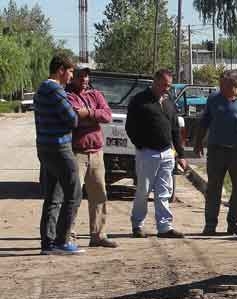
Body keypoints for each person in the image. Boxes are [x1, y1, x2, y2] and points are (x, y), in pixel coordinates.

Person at [194, 70, 237, 236]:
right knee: (213, 188)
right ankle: (210, 224)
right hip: (217, 150)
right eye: (220, 85)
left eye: (224, 86)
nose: (220, 89)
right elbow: (204, 122)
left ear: (236, 86)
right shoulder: (214, 99)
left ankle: (233, 223)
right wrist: (198, 142)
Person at [125, 69, 188, 239]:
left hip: (167, 153)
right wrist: (141, 145)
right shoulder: (139, 101)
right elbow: (130, 127)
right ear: (155, 82)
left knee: (164, 191)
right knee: (143, 191)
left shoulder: (169, 103)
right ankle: (137, 225)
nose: (166, 89)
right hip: (147, 153)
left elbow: (175, 129)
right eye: (164, 85)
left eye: (169, 86)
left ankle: (164, 227)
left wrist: (180, 154)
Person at [34, 54, 84, 255]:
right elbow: (72, 120)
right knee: (74, 193)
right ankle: (62, 240)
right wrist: (78, 112)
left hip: (45, 147)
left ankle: (48, 243)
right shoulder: (55, 90)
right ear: (61, 70)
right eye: (71, 71)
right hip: (59, 148)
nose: (72, 76)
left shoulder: (41, 89)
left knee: (53, 197)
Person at [66, 64, 118, 248]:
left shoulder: (95, 94)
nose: (84, 80)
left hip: (96, 152)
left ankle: (98, 235)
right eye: (80, 76)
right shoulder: (68, 96)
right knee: (73, 195)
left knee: (99, 195)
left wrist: (88, 113)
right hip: (77, 153)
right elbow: (75, 119)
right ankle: (68, 235)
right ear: (73, 77)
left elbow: (107, 116)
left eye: (86, 76)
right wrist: (93, 117)